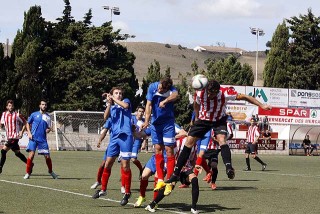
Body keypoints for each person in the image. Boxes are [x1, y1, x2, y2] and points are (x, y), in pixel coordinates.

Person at [166, 80, 272, 185]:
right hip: (204, 120)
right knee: (188, 142)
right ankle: (175, 174)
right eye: (208, 92)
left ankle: (229, 167)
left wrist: (262, 105)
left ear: (217, 91)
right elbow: (196, 104)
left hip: (218, 120)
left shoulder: (225, 92)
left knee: (222, 139)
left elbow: (245, 96)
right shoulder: (199, 92)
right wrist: (197, 116)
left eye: (212, 93)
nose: (209, 95)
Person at [92, 87, 133, 206]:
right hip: (114, 138)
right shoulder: (114, 107)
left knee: (125, 165)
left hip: (125, 137)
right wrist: (109, 104)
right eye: (116, 93)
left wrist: (113, 98)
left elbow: (125, 106)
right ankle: (103, 189)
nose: (119, 95)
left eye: (120, 93)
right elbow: (105, 117)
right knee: (107, 163)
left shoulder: (126, 101)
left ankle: (127, 192)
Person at [142, 77, 179, 195]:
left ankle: (169, 181)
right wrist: (147, 120)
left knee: (169, 150)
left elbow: (175, 95)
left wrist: (165, 101)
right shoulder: (152, 87)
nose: (160, 89)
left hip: (168, 124)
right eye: (159, 86)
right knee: (157, 150)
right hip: (155, 124)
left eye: (162, 89)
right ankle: (161, 180)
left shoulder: (172, 90)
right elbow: (148, 105)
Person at [145, 135, 200, 214]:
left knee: (195, 179)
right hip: (175, 168)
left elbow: (192, 160)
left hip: (186, 168)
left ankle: (194, 207)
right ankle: (151, 205)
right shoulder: (178, 142)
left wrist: (195, 166)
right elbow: (169, 155)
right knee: (169, 187)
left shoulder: (195, 146)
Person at [24, 99, 58, 179]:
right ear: (40, 105)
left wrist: (49, 130)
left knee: (47, 157)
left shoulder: (48, 117)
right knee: (31, 155)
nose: (44, 106)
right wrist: (29, 133)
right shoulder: (34, 114)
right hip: (33, 138)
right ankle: (28, 173)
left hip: (42, 140)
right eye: (42, 104)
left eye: (45, 104)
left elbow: (48, 129)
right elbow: (27, 123)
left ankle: (50, 171)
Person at [0, 100, 28, 174]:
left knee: (3, 151)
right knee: (17, 153)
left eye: (12, 106)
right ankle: (30, 164)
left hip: (14, 137)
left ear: (13, 106)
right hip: (9, 137)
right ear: (7, 107)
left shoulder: (17, 115)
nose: (11, 107)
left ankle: (0, 167)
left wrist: (21, 132)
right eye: (9, 106)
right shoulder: (4, 114)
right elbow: (1, 124)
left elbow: (25, 122)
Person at [90, 118, 112, 190]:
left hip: (123, 145)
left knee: (124, 165)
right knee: (103, 164)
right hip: (112, 145)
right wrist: (100, 140)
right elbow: (105, 131)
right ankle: (98, 181)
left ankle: (124, 186)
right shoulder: (110, 120)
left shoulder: (125, 119)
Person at [131, 106, 147, 177]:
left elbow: (145, 134)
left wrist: (144, 143)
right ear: (136, 112)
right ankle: (124, 176)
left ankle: (141, 169)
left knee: (133, 159)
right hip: (129, 140)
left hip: (137, 141)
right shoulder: (131, 118)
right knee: (125, 159)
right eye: (139, 111)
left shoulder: (144, 122)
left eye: (142, 112)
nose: (141, 113)